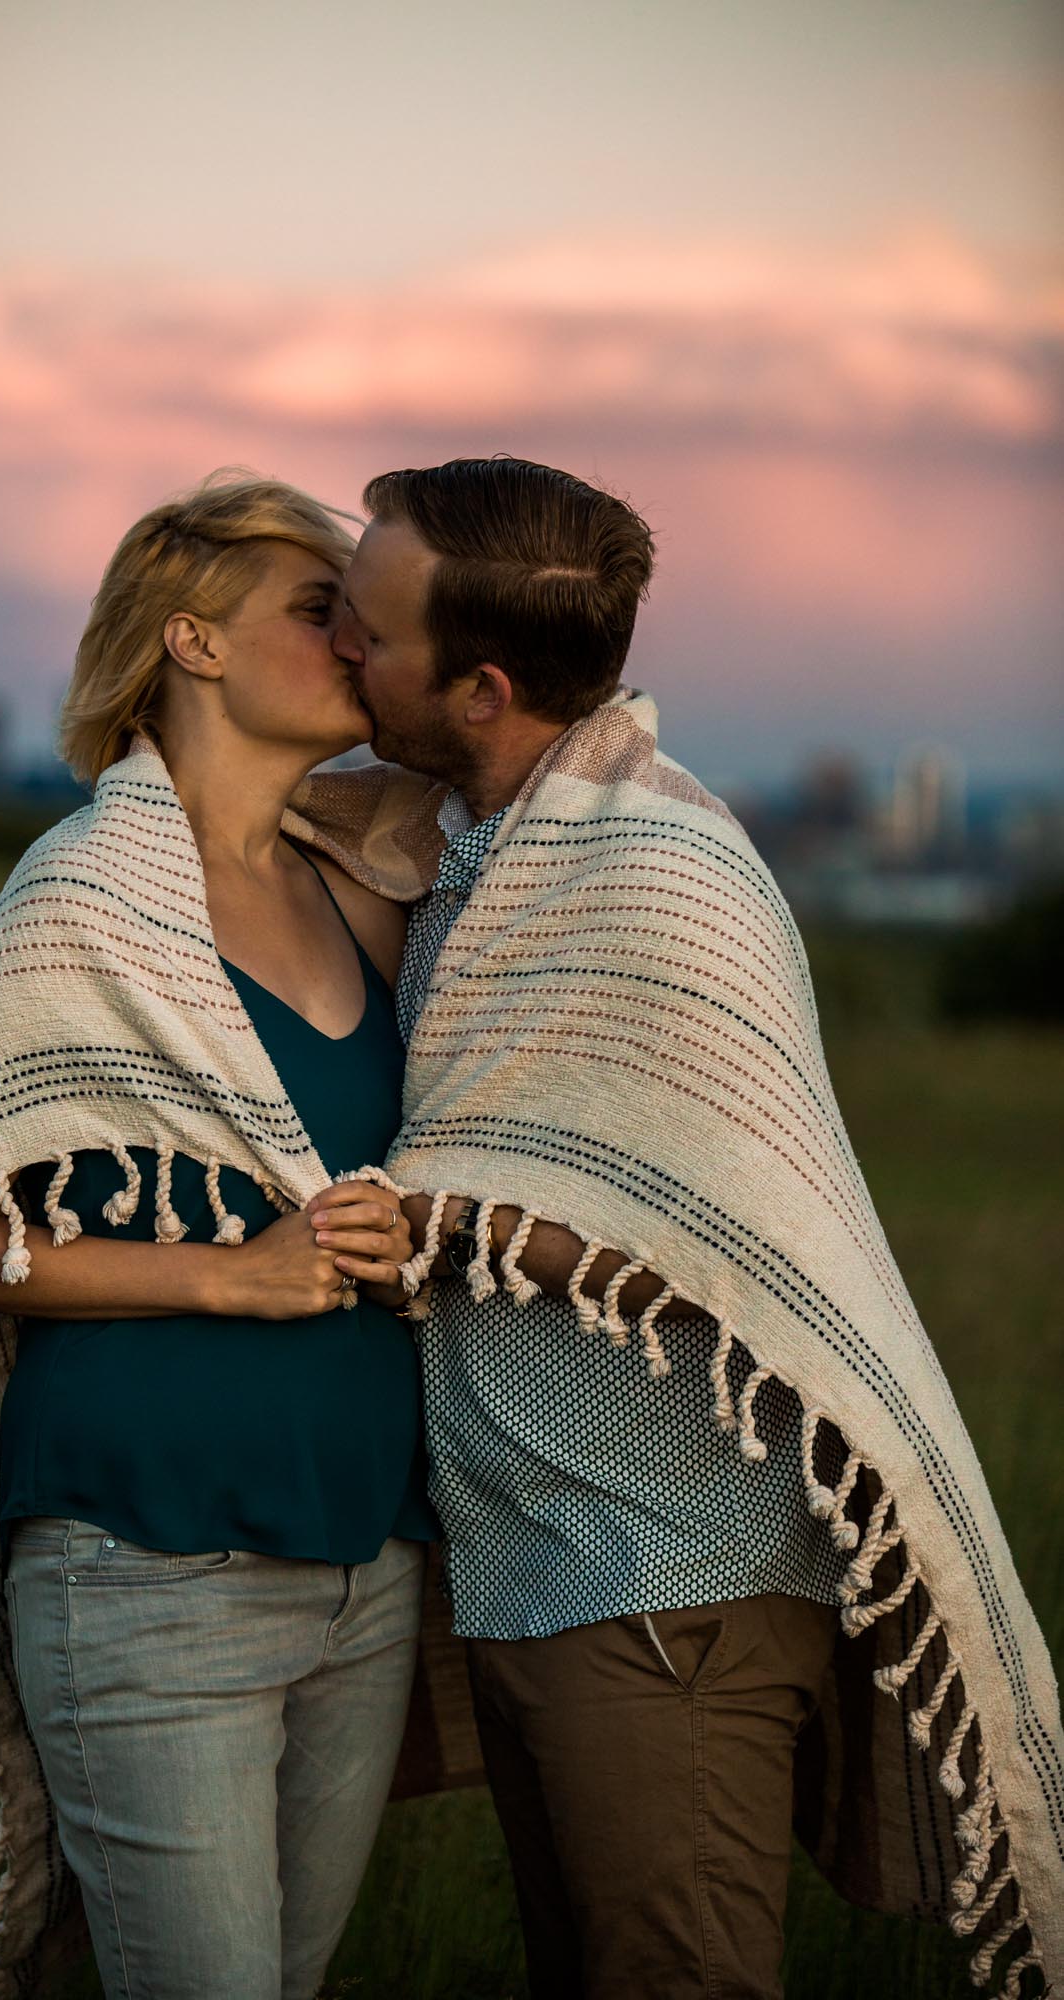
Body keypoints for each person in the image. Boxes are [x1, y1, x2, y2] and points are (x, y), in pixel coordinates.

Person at [306, 457, 1063, 1999]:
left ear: (484, 687)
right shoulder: (477, 846)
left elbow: (719, 1244)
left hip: (667, 1587)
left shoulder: (655, 871)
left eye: (366, 634)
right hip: (540, 1562)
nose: (337, 650)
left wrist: (438, 1215)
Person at [0, 472, 443, 2000]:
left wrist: (400, 1220)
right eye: (315, 611)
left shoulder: (375, 892)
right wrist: (223, 1273)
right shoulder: (82, 902)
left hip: (365, 1558)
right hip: (149, 1560)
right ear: (190, 642)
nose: (358, 638)